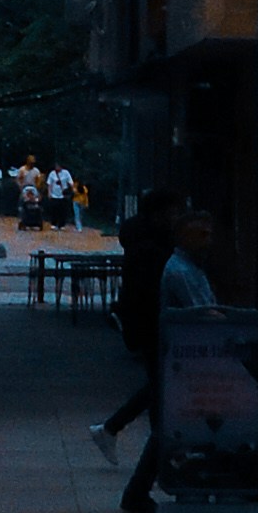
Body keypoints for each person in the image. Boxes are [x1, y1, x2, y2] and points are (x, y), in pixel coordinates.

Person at [120, 212, 225, 513]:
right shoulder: (181, 271)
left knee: (183, 425)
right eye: (201, 234)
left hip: (190, 357)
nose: (208, 240)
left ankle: (143, 490)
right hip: (187, 358)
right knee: (179, 425)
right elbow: (201, 312)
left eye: (210, 234)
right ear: (183, 236)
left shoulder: (192, 268)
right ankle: (140, 491)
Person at [91, 188, 179, 455]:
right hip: (153, 325)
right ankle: (150, 451)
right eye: (173, 212)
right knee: (161, 386)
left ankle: (116, 430)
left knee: (159, 385)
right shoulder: (150, 249)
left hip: (149, 325)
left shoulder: (145, 242)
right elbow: (146, 292)